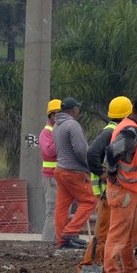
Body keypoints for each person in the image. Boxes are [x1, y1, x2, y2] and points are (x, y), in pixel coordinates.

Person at [103, 95, 137, 273]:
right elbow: (111, 152)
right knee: (117, 234)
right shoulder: (131, 131)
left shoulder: (128, 126)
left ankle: (131, 272)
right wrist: (111, 173)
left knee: (130, 237)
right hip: (122, 189)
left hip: (129, 189)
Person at [82, 96, 131, 272]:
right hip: (105, 191)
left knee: (108, 229)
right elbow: (92, 154)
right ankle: (88, 265)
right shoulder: (110, 132)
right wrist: (103, 174)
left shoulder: (114, 131)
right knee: (103, 231)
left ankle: (101, 263)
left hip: (108, 190)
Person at [52, 98, 96, 249]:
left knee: (62, 206)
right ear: (73, 110)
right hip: (75, 171)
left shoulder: (57, 126)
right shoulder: (73, 125)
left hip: (61, 170)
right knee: (89, 201)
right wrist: (90, 165)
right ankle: (70, 233)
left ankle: (62, 241)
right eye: (77, 108)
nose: (78, 111)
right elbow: (81, 150)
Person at [38, 98, 61, 243]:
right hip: (51, 177)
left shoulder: (59, 131)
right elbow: (49, 151)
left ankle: (59, 239)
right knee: (52, 209)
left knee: (61, 209)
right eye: (56, 114)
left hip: (61, 176)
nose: (58, 117)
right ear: (50, 116)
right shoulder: (46, 132)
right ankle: (47, 241)